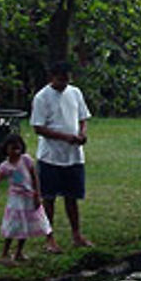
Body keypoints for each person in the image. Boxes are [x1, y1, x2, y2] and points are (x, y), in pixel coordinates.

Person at [30, 61, 93, 251]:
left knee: (72, 197)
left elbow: (83, 118)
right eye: (60, 79)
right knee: (48, 198)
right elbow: (38, 127)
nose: (64, 82)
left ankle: (76, 234)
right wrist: (65, 137)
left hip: (73, 156)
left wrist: (82, 134)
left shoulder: (75, 93)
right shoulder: (42, 97)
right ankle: (49, 238)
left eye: (67, 78)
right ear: (52, 78)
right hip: (51, 156)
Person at [0, 133, 54, 263]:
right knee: (14, 225)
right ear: (6, 150)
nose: (15, 151)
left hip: (29, 197)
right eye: (12, 148)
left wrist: (37, 194)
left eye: (18, 148)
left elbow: (34, 177)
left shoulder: (26, 160)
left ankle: (19, 251)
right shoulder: (5, 166)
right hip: (16, 199)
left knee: (25, 225)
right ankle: (5, 253)